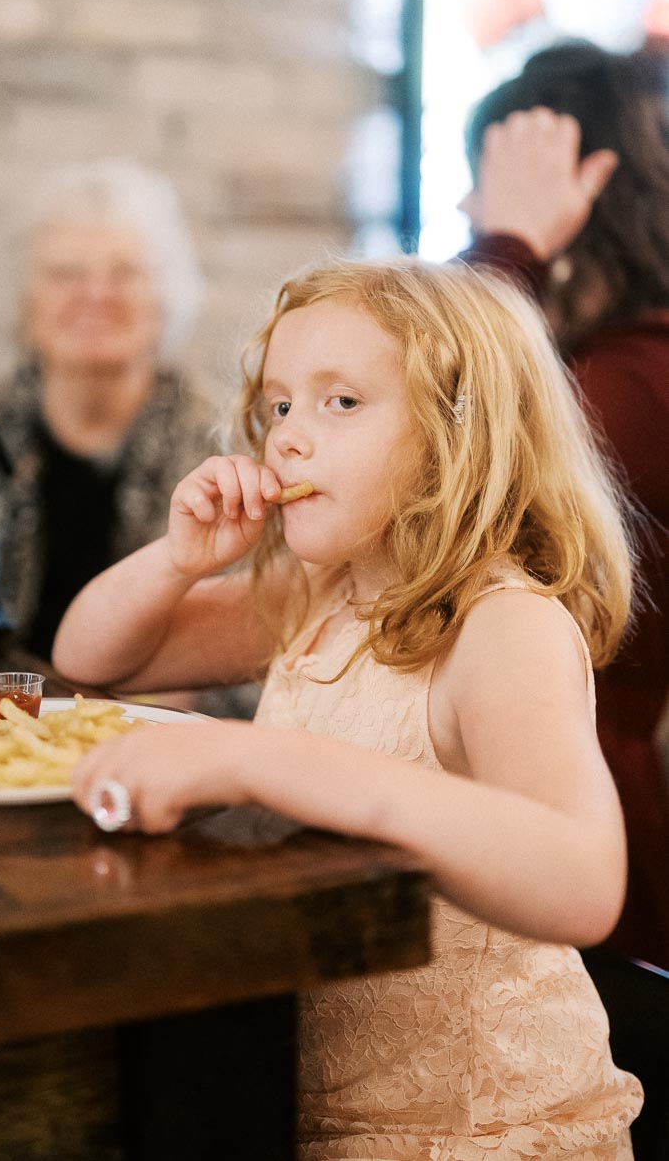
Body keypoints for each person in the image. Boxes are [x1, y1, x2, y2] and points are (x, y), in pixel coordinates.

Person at [56, 258, 643, 1159]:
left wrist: (259, 760)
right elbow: (92, 657)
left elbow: (582, 880)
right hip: (306, 1112)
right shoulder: (319, 594)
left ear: (462, 434)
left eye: (341, 403)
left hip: (476, 1133)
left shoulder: (503, 626)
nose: (286, 438)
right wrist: (178, 560)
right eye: (281, 405)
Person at [460, 38, 669, 971]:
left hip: (573, 809)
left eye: (489, 188)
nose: (472, 209)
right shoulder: (595, 364)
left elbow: (438, 476)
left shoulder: (634, 377)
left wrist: (509, 248)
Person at [0, 159, 218, 665]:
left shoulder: (224, 445)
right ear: (25, 301)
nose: (95, 294)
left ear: (164, 298)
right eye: (66, 273)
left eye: (124, 272)